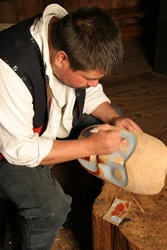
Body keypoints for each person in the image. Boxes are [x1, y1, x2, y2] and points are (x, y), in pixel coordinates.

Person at [0, 4, 142, 249]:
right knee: (52, 207)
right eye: (88, 78)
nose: (95, 84)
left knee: (116, 133)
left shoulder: (73, 36)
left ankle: (89, 212)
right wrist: (88, 146)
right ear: (61, 58)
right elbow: (20, 150)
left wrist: (113, 118)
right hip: (10, 150)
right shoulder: (9, 69)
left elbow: (93, 93)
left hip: (49, 125)